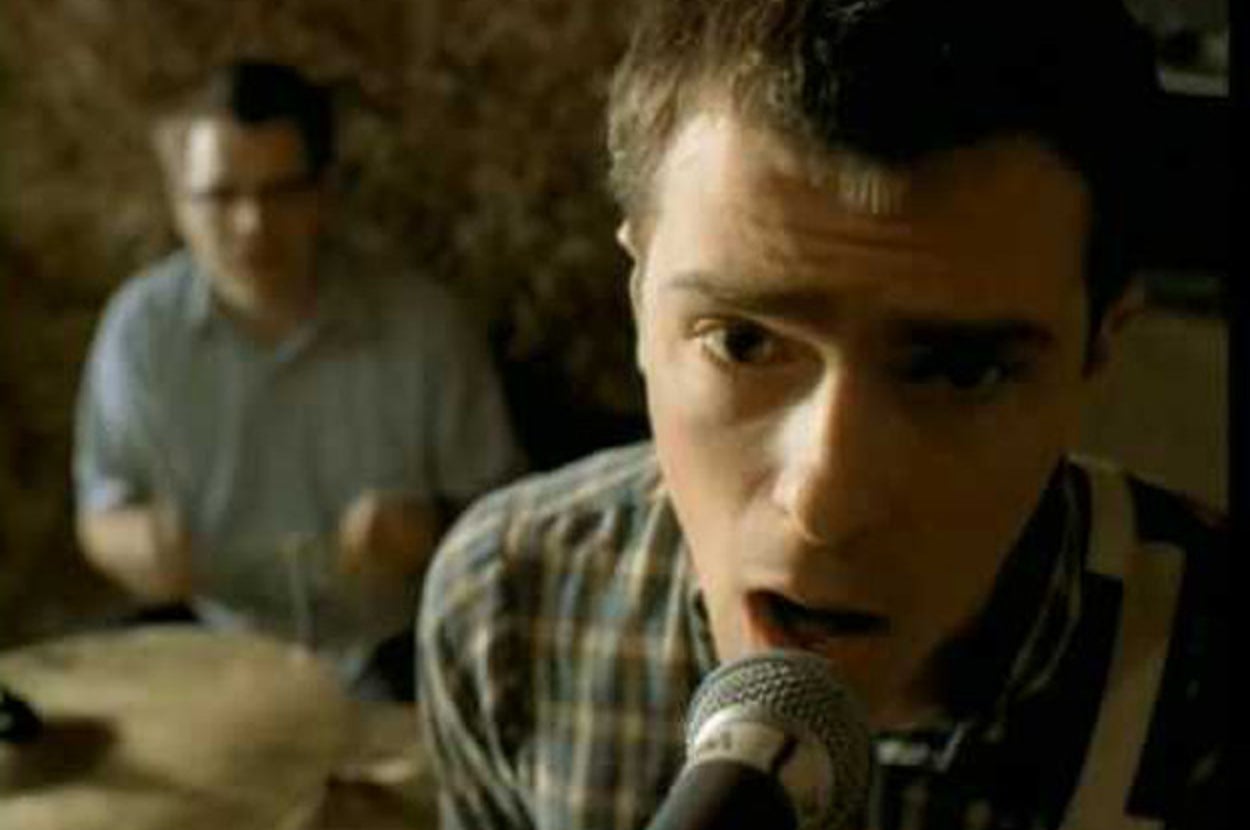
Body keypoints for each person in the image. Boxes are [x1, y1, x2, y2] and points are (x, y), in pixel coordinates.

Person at [417, 0, 1225, 827]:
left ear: (1098, 349)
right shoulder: (509, 608)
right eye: (742, 343)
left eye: (960, 371)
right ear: (638, 300)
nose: (825, 504)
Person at [75, 60, 525, 701]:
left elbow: (511, 522)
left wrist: (429, 531)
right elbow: (101, 510)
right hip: (213, 646)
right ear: (178, 205)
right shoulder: (139, 330)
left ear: (323, 194)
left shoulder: (423, 324)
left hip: (400, 650)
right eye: (221, 197)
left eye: (281, 192)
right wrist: (134, 544)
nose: (253, 224)